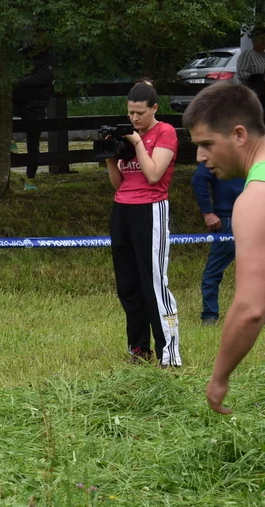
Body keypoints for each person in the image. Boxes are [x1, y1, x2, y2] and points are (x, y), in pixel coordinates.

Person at [182, 82, 265, 413]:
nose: (200, 157)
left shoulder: (255, 200)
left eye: (207, 144)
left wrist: (219, 378)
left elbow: (250, 309)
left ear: (239, 135)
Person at [105, 80, 180, 367]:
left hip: (150, 209)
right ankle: (139, 349)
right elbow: (119, 184)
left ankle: (169, 354)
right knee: (128, 284)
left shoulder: (164, 132)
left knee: (154, 283)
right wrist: (110, 156)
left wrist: (137, 143)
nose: (134, 118)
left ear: (154, 108)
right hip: (122, 208)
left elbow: (153, 175)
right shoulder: (128, 134)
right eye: (130, 112)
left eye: (140, 113)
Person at [191, 161, 244, 324]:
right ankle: (209, 315)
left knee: (214, 272)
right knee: (214, 271)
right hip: (230, 219)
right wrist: (208, 212)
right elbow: (199, 180)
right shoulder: (218, 152)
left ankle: (210, 315)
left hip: (251, 217)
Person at [12, 47, 53, 191]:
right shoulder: (27, 58)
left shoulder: (49, 62)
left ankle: (30, 178)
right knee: (4, 114)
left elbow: (41, 78)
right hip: (24, 105)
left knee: (33, 145)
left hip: (36, 109)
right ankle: (9, 140)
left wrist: (20, 82)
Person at [236, 27, 265, 107]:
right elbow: (241, 73)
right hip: (252, 93)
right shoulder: (247, 55)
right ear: (254, 40)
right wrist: (256, 78)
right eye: (262, 39)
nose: (264, 41)